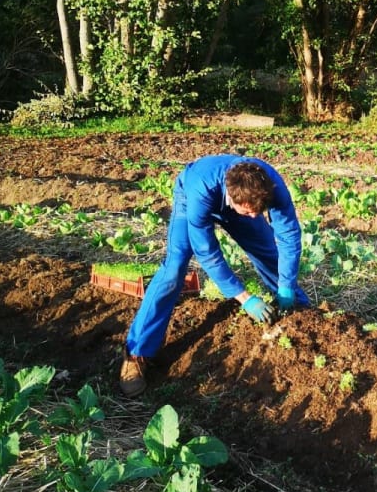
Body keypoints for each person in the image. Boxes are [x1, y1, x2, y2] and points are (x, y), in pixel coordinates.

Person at [119, 155, 310, 397]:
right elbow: (207, 253)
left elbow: (289, 235)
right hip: (190, 198)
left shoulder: (270, 185)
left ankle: (303, 316)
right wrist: (244, 298)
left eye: (258, 211)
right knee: (174, 269)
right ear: (234, 199)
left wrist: (286, 286)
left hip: (237, 198)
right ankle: (136, 353)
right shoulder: (201, 191)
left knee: (269, 255)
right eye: (249, 211)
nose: (255, 216)